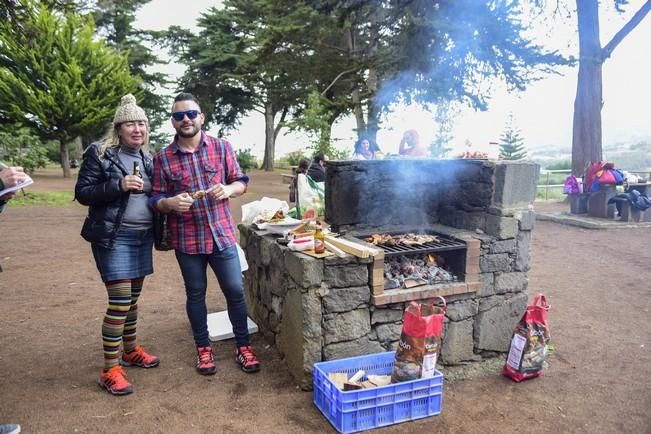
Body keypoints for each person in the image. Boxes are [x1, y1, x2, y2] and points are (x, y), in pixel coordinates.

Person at [150, 92, 260, 376]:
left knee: (235, 291)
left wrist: (228, 189)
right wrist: (170, 203)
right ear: (173, 121)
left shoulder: (222, 147)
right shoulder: (162, 158)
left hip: (221, 235)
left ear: (201, 117)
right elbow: (155, 198)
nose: (185, 119)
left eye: (190, 114)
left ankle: (243, 345)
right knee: (195, 294)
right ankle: (203, 348)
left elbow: (241, 182)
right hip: (186, 239)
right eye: (178, 116)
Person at [74, 94, 159, 396]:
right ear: (119, 128)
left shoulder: (148, 159)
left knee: (132, 300)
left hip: (142, 237)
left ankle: (131, 350)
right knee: (121, 300)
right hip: (113, 236)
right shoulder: (100, 153)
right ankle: (110, 369)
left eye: (142, 124)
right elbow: (83, 192)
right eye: (130, 124)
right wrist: (118, 185)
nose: (137, 129)